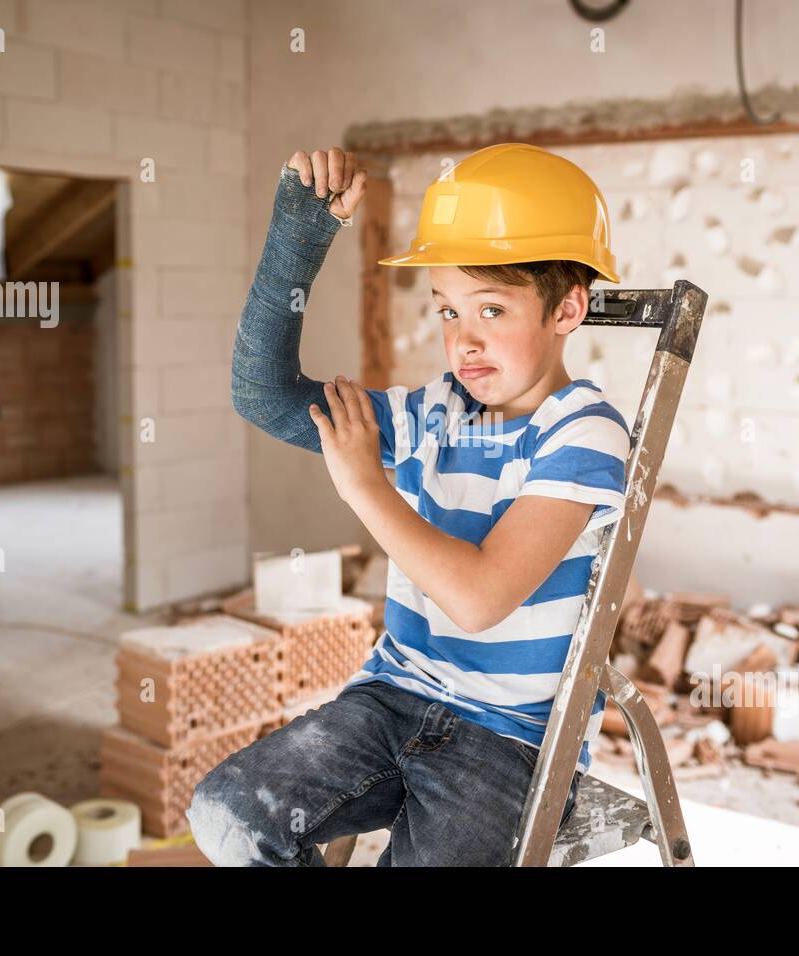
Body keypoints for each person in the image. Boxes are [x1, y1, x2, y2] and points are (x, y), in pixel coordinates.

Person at [187, 144, 630, 866]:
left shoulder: (583, 429)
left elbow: (480, 599)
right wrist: (297, 238)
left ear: (567, 309)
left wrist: (366, 485)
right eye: (448, 310)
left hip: (507, 739)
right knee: (227, 814)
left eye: (492, 308)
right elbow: (263, 393)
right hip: (389, 700)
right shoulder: (433, 410)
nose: (465, 341)